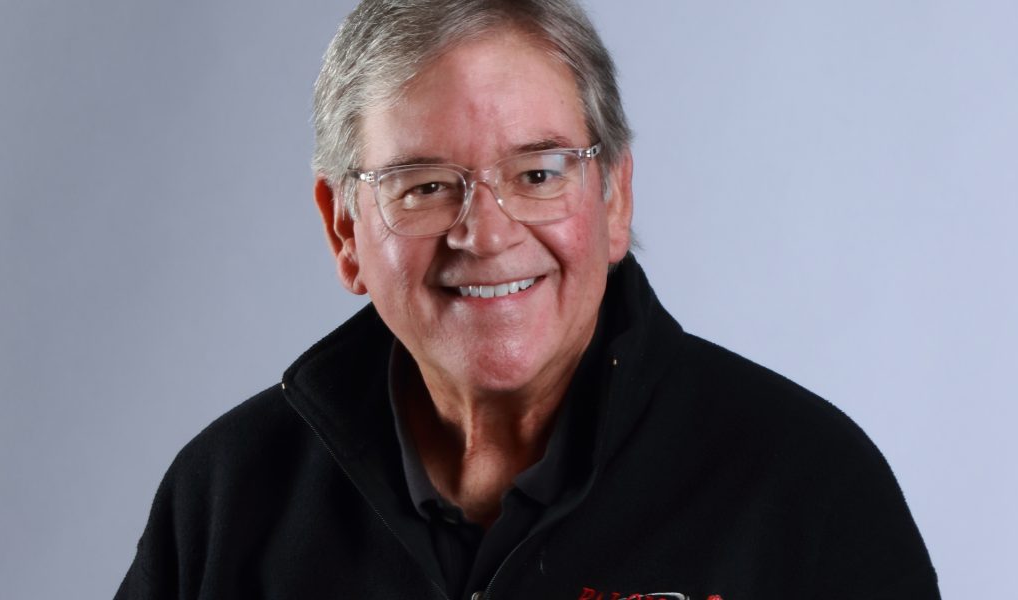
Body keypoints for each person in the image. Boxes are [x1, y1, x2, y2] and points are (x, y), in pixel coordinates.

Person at [115, 1, 940, 598]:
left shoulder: (808, 486)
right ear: (344, 231)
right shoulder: (226, 499)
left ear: (614, 198)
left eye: (537, 174)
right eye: (427, 185)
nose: (485, 232)